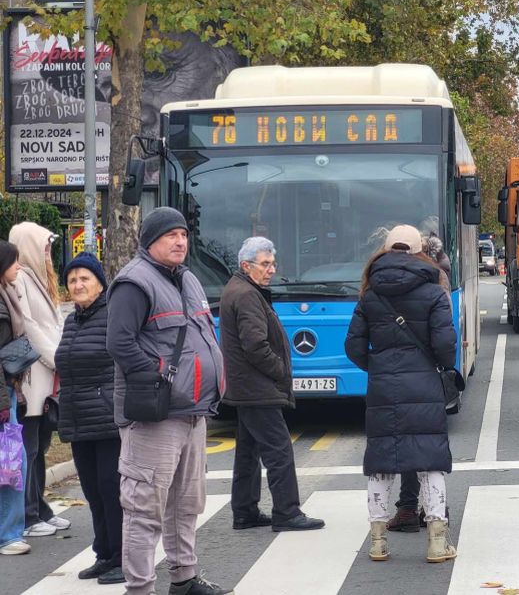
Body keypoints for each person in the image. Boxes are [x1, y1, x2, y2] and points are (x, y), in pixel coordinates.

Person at [106, 208, 231, 595]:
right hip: (155, 416)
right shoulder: (134, 282)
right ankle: (140, 588)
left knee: (186, 503)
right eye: (170, 235)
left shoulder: (189, 279)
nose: (180, 241)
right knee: (144, 509)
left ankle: (185, 577)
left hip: (193, 413)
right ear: (149, 241)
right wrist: (160, 377)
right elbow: (119, 343)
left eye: (183, 234)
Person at [344, 224, 458, 563]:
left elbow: (352, 346)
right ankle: (437, 541)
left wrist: (377, 366)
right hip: (423, 384)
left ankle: (378, 542)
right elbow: (445, 345)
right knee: (431, 462)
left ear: (387, 249)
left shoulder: (370, 292)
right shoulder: (434, 291)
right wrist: (436, 367)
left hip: (383, 386)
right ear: (419, 250)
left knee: (381, 463)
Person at [219, 237, 324, 532]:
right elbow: (255, 346)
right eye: (265, 264)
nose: (271, 270)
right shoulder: (247, 295)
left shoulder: (240, 289)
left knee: (248, 452)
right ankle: (287, 512)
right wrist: (281, 372)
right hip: (257, 388)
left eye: (273, 264)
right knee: (279, 450)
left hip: (246, 387)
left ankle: (245, 511)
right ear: (246, 265)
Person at [54, 252, 125, 584]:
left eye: (85, 278)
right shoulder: (72, 320)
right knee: (94, 491)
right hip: (79, 419)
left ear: (100, 282)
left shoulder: (114, 315)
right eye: (72, 280)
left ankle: (124, 557)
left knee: (113, 490)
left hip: (108, 418)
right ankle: (104, 553)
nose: (78, 284)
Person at [385, 231, 452, 534]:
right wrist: (442, 365)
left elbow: (356, 344)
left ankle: (408, 507)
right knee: (429, 443)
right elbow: (444, 337)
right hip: (427, 374)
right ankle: (434, 510)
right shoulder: (436, 281)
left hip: (391, 377)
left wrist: (378, 367)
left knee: (401, 444)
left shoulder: (377, 284)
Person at [8, 222, 68, 538]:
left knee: (39, 447)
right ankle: (29, 516)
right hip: (32, 378)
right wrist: (60, 358)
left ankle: (39, 508)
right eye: (43, 246)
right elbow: (30, 328)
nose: (48, 251)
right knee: (29, 449)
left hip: (44, 379)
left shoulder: (37, 279)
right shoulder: (22, 280)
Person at [0, 241, 30, 556]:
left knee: (12, 462)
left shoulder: (8, 294)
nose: (18, 267)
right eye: (14, 261)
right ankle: (9, 535)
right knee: (11, 464)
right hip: (2, 398)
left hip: (8, 394)